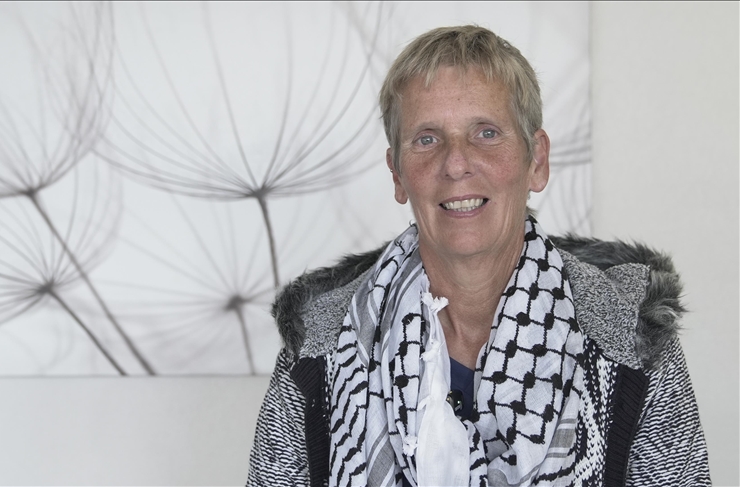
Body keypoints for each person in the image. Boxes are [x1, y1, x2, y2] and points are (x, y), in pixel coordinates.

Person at [247, 25, 710, 487]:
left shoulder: (631, 344)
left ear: (536, 161)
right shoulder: (322, 347)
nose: (455, 162)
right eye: (427, 139)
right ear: (398, 174)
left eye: (486, 133)